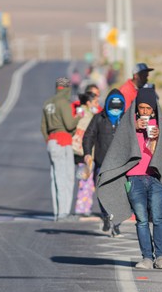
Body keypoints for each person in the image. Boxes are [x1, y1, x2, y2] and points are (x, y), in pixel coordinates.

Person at [97, 88, 162, 270]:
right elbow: (119, 149)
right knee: (140, 219)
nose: (145, 112)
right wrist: (134, 130)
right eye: (141, 108)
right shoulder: (128, 123)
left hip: (156, 179)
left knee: (158, 218)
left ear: (154, 108)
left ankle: (161, 257)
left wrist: (157, 139)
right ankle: (146, 257)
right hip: (135, 179)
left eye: (148, 108)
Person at [83, 89, 126, 236]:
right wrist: (87, 153)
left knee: (120, 195)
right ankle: (106, 216)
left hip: (121, 165)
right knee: (102, 193)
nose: (115, 110)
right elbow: (88, 136)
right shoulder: (98, 118)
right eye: (112, 106)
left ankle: (117, 223)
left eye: (118, 106)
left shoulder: (127, 120)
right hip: (102, 162)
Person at [41, 77, 81, 221]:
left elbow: (43, 127)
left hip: (52, 142)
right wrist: (78, 117)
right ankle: (64, 213)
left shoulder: (47, 103)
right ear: (67, 89)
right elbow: (70, 124)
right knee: (67, 177)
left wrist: (49, 140)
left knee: (55, 177)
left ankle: (58, 212)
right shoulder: (63, 103)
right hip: (63, 141)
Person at [72, 91, 100, 217]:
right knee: (85, 181)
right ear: (88, 103)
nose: (97, 104)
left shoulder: (84, 112)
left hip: (83, 153)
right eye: (95, 102)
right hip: (85, 153)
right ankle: (82, 207)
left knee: (86, 180)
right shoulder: (85, 114)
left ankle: (84, 206)